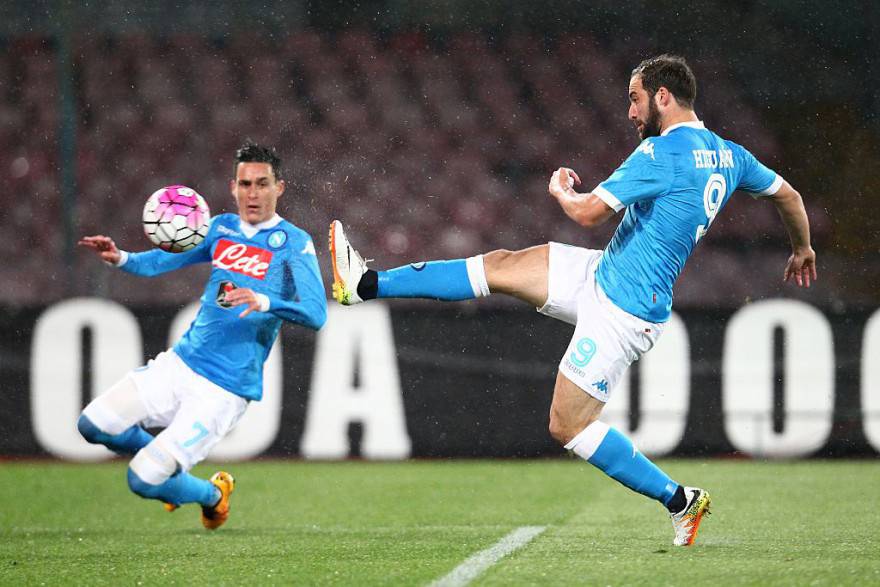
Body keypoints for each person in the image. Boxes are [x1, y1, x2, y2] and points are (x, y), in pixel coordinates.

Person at [329, 55, 816, 546]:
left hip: (623, 310)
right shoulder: (730, 155)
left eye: (635, 98)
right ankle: (365, 285)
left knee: (567, 425)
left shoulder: (663, 155)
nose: (630, 112)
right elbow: (789, 196)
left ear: (662, 98)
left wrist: (561, 190)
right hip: (605, 274)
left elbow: (587, 214)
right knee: (502, 265)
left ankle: (680, 501)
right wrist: (802, 247)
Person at [77, 143, 327, 530]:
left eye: (262, 184)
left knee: (141, 479)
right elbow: (164, 260)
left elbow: (316, 313)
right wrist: (122, 258)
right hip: (181, 363)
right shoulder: (219, 227)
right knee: (93, 424)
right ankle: (169, 472)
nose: (253, 194)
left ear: (280, 188)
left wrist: (264, 300)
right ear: (232, 187)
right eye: (245, 184)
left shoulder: (294, 243)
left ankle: (212, 495)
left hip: (223, 391)